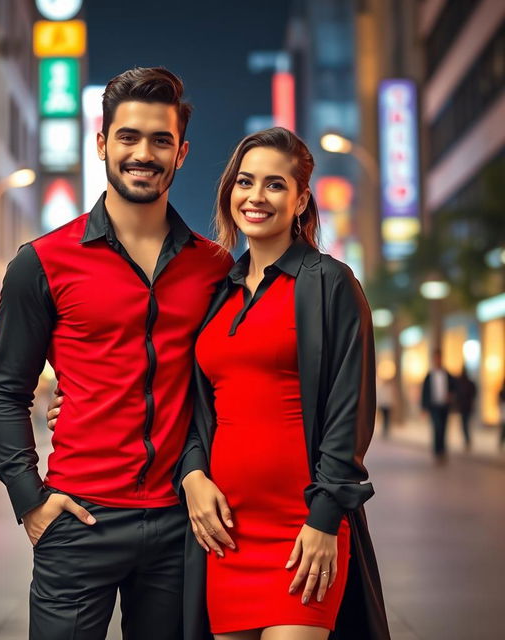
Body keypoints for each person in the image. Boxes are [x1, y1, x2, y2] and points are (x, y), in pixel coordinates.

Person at [0, 67, 233, 640]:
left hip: (178, 524)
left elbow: (221, 382)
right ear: (102, 144)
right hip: (78, 519)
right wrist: (30, 500)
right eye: (129, 137)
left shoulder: (213, 267)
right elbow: (5, 390)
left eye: (160, 140)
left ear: (182, 153)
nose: (144, 153)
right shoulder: (41, 262)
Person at [171, 128, 389, 640]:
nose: (256, 196)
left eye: (274, 185)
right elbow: (197, 407)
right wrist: (194, 474)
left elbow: (349, 412)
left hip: (303, 528)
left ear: (300, 199)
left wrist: (324, 519)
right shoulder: (216, 291)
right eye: (245, 181)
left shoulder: (330, 282)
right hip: (225, 531)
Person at [421, 349, 456, 463]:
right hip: (434, 406)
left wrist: (451, 395)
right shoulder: (429, 375)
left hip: (444, 406)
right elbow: (425, 392)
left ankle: (442, 450)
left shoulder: (447, 374)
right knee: (437, 427)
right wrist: (424, 408)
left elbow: (454, 388)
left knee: (444, 428)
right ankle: (437, 451)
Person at [454, 367, 476, 451]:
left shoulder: (465, 383)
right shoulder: (464, 383)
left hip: (465, 407)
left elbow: (473, 392)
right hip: (465, 407)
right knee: (465, 424)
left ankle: (467, 439)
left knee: (465, 424)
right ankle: (467, 439)